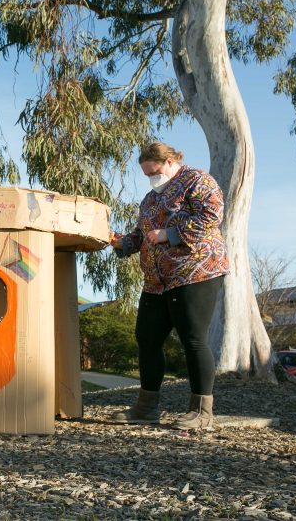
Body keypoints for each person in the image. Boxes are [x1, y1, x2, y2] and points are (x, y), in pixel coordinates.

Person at [110, 141, 229, 430]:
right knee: (147, 338)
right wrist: (121, 242)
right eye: (147, 174)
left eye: (155, 171)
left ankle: (201, 412)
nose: (153, 178)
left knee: (193, 338)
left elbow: (212, 216)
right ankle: (146, 407)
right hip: (156, 281)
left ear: (171, 161)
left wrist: (170, 234)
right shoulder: (150, 199)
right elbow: (142, 234)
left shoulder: (197, 180)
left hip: (195, 272)